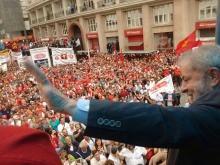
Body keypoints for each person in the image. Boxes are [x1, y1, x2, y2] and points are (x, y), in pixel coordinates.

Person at [24, 45, 220, 165]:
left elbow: (160, 120)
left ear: (213, 76)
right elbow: (193, 134)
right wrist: (167, 152)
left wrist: (70, 106)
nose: (183, 88)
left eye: (186, 79)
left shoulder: (214, 114)